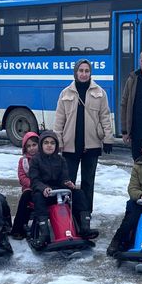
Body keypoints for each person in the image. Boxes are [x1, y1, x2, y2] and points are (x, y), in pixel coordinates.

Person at [53, 59, 114, 213]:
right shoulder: (65, 93)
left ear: (90, 73)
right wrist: (58, 141)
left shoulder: (100, 93)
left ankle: (86, 213)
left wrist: (108, 138)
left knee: (88, 182)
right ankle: (68, 213)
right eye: (81, 71)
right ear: (75, 72)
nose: (84, 74)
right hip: (70, 146)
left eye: (87, 71)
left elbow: (105, 117)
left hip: (92, 145)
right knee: (68, 182)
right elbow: (59, 120)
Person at [29, 130, 98, 246]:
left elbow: (64, 178)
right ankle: (44, 233)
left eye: (52, 143)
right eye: (46, 143)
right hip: (44, 193)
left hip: (59, 192)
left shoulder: (61, 160)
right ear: (41, 145)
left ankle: (85, 228)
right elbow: (35, 180)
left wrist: (68, 183)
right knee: (38, 197)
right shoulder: (35, 160)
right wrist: (44, 188)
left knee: (79, 193)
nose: (49, 145)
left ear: (56, 145)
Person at [11, 131, 40, 240]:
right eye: (28, 146)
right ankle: (18, 228)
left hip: (44, 188)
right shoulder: (23, 161)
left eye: (34, 145)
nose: (32, 148)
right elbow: (22, 177)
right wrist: (34, 184)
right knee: (25, 197)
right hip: (30, 188)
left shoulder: (44, 158)